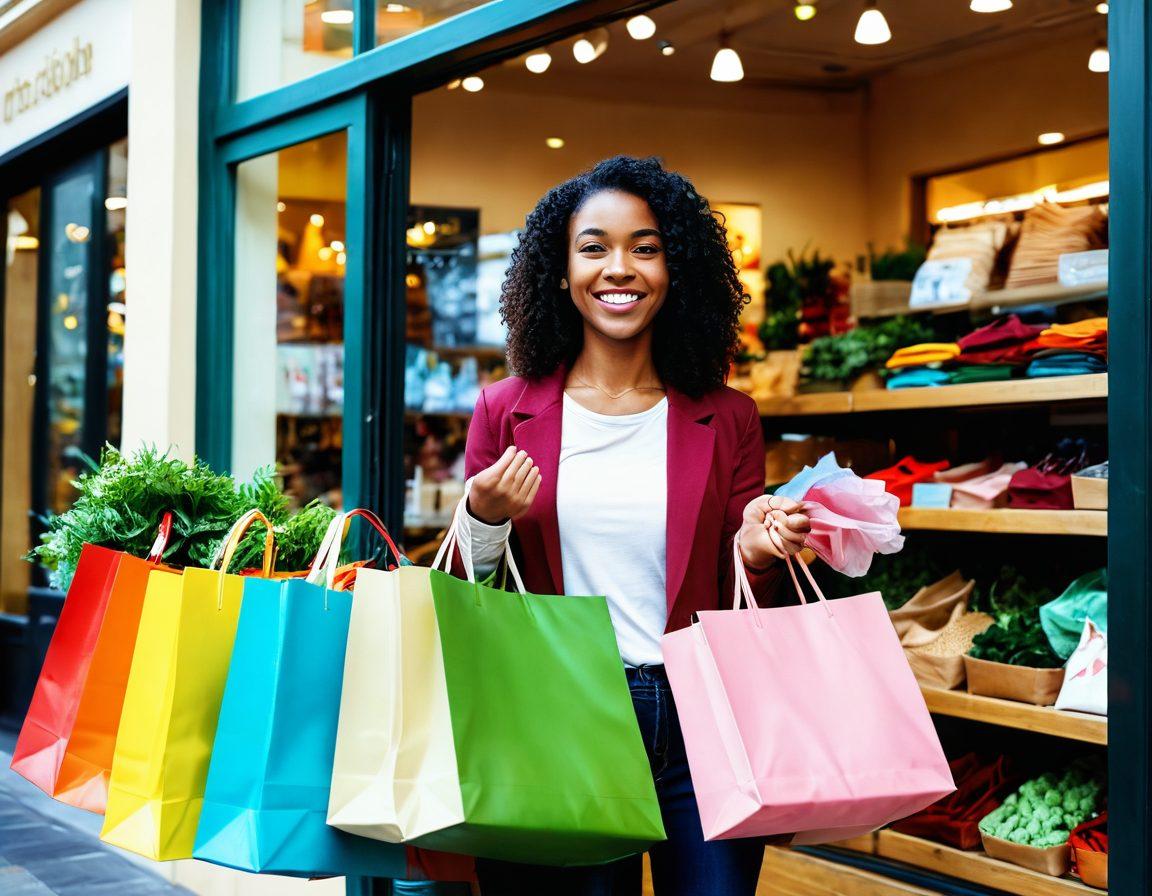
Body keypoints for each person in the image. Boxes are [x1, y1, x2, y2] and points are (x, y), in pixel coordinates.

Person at [455, 155, 811, 896]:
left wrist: (757, 550)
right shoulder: (505, 411)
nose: (620, 268)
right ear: (560, 272)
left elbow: (746, 595)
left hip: (703, 723)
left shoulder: (729, 416)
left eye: (645, 248)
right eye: (594, 248)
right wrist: (483, 518)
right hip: (561, 718)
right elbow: (466, 597)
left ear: (675, 269)